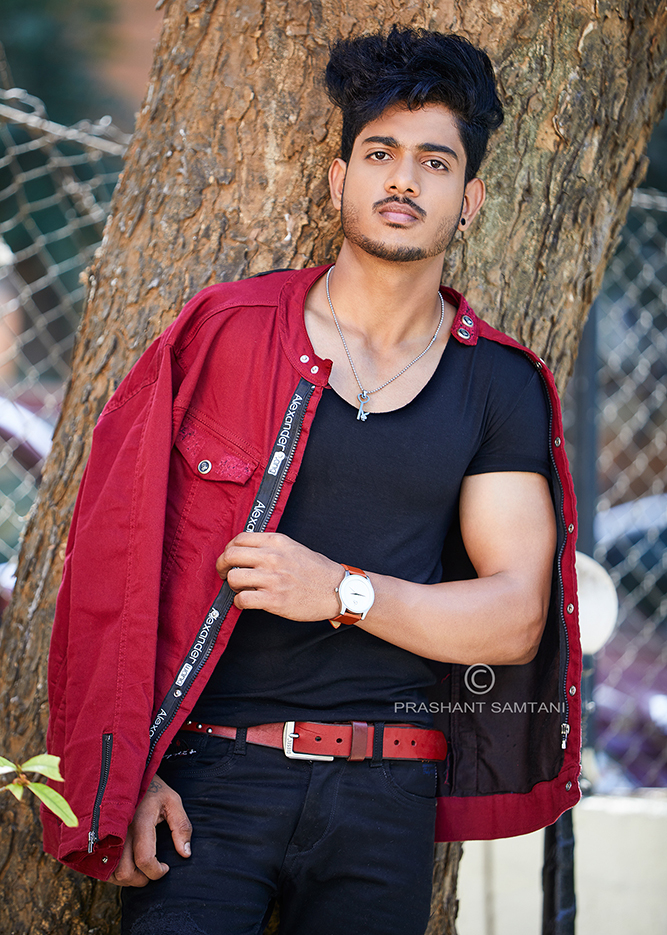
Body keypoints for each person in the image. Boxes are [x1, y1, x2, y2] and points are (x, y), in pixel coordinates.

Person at [43, 25, 581, 935]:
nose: (403, 180)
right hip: (207, 781)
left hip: (386, 789)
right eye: (379, 153)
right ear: (338, 180)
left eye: (434, 162)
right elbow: (111, 567)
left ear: (470, 199)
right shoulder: (223, 333)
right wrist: (127, 770)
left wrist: (337, 590)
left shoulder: (496, 383)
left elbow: (511, 616)